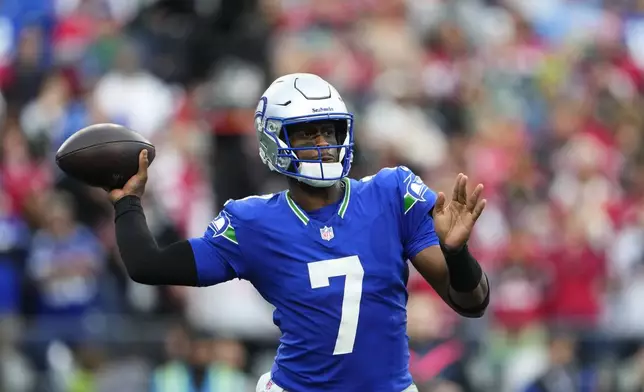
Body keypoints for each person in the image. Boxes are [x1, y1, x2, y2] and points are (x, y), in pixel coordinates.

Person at [109, 73, 490, 392]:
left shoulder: (389, 194)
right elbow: (148, 266)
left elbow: (471, 303)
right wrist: (127, 203)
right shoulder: (254, 222)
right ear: (275, 141)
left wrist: (457, 253)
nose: (324, 144)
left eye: (330, 130)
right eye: (308, 135)